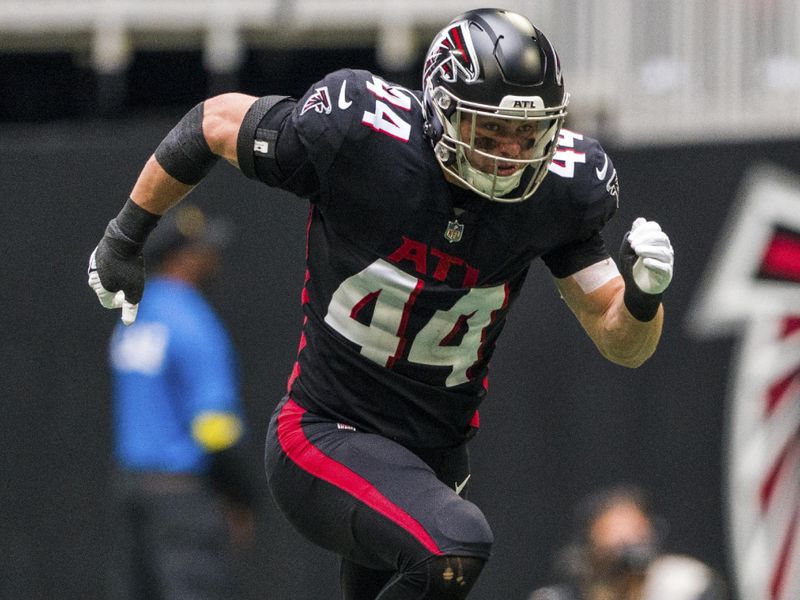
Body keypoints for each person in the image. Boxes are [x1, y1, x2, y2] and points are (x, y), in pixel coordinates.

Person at [87, 8, 675, 599]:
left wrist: (645, 298)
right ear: (441, 113)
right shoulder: (361, 136)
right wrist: (124, 236)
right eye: (489, 134)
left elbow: (618, 336)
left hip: (431, 463)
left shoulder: (562, 190)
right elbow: (214, 121)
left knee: (436, 555)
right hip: (323, 434)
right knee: (456, 544)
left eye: (526, 135)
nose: (509, 155)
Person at [103, 203, 258, 600]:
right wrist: (240, 495)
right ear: (180, 258)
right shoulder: (192, 320)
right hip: (183, 500)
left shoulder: (136, 316)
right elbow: (214, 426)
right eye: (204, 250)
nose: (214, 258)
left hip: (134, 492)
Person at [528, 485, 728, 600]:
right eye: (616, 536)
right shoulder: (566, 594)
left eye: (636, 532)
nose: (628, 547)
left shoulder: (685, 585)